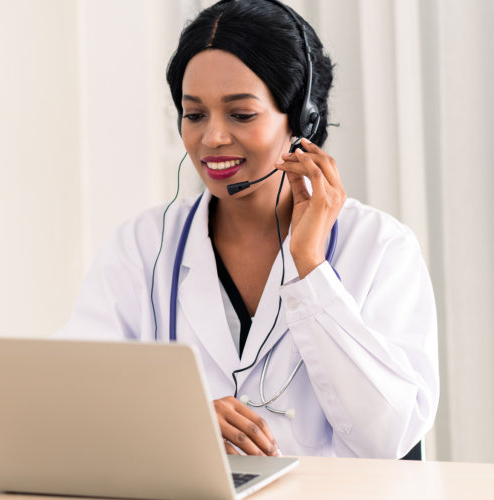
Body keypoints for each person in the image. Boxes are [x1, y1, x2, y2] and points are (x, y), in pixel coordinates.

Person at [55, 0, 438, 459]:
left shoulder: (380, 248)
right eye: (194, 115)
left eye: (240, 114)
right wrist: (176, 417)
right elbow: (72, 396)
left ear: (303, 121)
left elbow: (390, 438)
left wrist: (311, 270)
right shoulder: (142, 246)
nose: (212, 138)